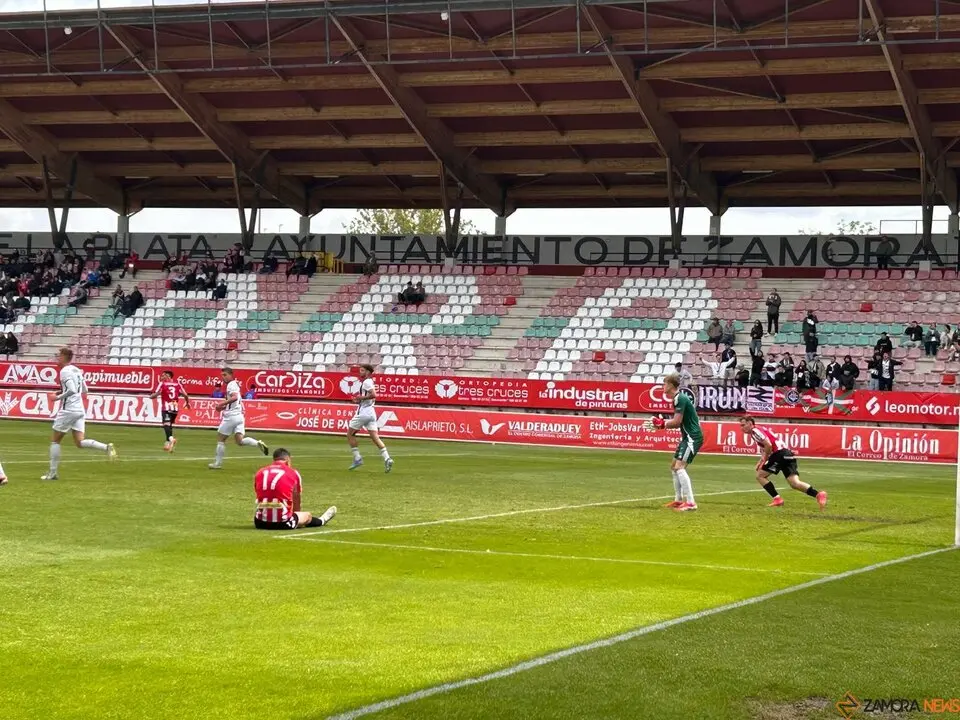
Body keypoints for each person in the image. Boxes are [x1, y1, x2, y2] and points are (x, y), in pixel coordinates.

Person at [42, 347, 117, 480]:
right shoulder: (76, 370)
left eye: (59, 355)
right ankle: (106, 448)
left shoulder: (65, 371)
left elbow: (71, 389)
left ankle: (53, 473)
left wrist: (57, 398)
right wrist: (61, 392)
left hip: (68, 410)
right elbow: (84, 389)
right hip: (79, 410)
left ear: (64, 356)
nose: (57, 358)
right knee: (79, 442)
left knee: (55, 441)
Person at [739, 416, 827, 509]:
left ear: (750, 424)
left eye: (743, 425)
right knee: (794, 483)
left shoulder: (755, 431)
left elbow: (768, 445)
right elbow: (765, 447)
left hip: (779, 454)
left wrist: (765, 460)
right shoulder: (759, 430)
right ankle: (818, 494)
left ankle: (777, 499)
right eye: (740, 426)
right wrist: (761, 460)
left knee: (760, 476)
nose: (741, 428)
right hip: (787, 454)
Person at [650, 373, 701, 512]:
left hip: (692, 436)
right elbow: (679, 423)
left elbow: (677, 422)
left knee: (679, 467)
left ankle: (691, 502)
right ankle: (678, 500)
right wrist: (664, 424)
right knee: (674, 467)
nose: (663, 386)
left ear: (671, 385)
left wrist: (662, 424)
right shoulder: (678, 398)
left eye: (665, 383)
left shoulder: (680, 398)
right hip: (687, 436)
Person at [253, 448, 337, 530]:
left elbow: (259, 494)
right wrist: (297, 516)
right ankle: (322, 520)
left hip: (259, 522)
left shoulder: (260, 472)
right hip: (283, 523)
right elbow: (296, 498)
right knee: (307, 515)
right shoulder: (293, 473)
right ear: (288, 459)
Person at [208, 367, 269, 470]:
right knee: (239, 441)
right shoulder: (235, 385)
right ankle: (257, 443)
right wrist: (223, 407)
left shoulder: (231, 385)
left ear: (231, 375)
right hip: (239, 417)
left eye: (225, 375)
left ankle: (217, 464)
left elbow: (235, 397)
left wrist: (222, 404)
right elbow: (235, 401)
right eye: (222, 375)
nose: (223, 377)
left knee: (221, 439)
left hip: (232, 416)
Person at [347, 364, 394, 472]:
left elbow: (374, 395)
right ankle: (387, 458)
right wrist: (358, 400)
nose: (360, 372)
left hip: (364, 413)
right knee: (375, 438)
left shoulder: (367, 382)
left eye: (362, 370)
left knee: (350, 434)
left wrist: (361, 397)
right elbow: (371, 399)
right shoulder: (370, 382)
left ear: (368, 372)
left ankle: (357, 458)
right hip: (371, 413)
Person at [150, 370, 191, 452]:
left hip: (166, 408)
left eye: (163, 376)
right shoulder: (178, 384)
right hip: (175, 408)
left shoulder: (162, 384)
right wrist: (187, 403)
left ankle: (171, 439)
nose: (162, 377)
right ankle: (167, 444)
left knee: (166, 425)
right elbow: (185, 395)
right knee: (169, 425)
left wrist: (152, 396)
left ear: (168, 376)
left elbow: (155, 394)